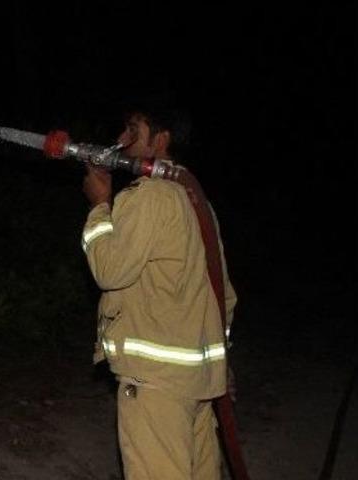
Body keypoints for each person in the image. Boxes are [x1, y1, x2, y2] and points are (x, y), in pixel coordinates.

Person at [80, 102, 237, 479]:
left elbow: (110, 271)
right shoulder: (196, 199)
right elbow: (224, 295)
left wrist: (99, 206)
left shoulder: (149, 196)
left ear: (161, 140)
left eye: (133, 130)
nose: (121, 139)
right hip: (198, 384)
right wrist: (221, 365)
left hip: (157, 386)